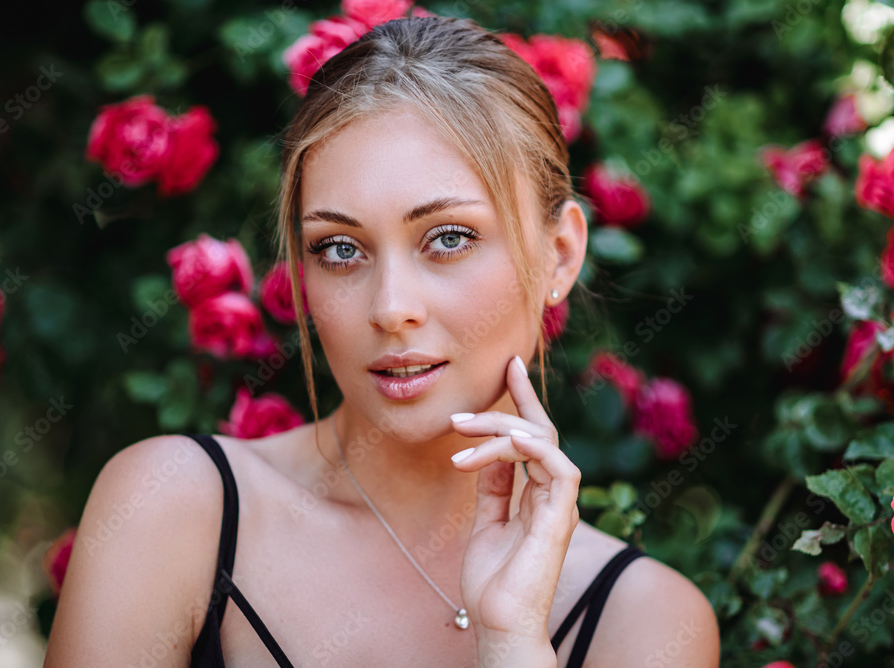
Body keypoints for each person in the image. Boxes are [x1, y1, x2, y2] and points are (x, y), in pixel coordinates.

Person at [44, 14, 720, 668]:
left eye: (449, 238)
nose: (391, 309)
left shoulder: (647, 623)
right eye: (341, 248)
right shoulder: (171, 509)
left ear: (560, 255)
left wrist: (512, 641)